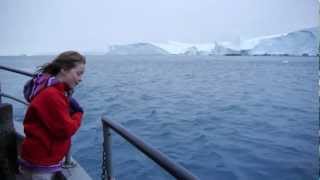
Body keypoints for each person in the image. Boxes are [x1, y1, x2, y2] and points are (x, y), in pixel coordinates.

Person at [18, 51, 86, 180]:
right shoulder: (52, 95)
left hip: (37, 157)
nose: (80, 78)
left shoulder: (48, 88)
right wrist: (78, 113)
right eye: (78, 73)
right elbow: (65, 130)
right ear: (64, 70)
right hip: (41, 163)